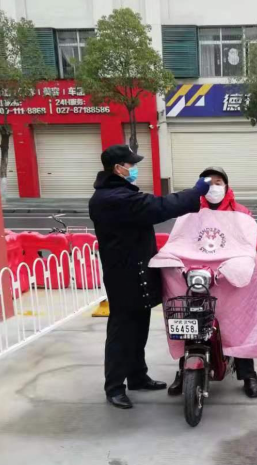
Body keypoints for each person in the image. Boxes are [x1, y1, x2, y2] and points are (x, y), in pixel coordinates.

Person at [89, 144, 211, 409]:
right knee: (122, 331)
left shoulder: (119, 193)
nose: (134, 169)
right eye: (131, 165)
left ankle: (137, 376)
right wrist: (196, 191)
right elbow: (161, 206)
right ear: (118, 168)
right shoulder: (113, 198)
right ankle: (114, 387)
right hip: (124, 276)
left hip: (137, 273)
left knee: (138, 327)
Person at [166, 166, 257, 398]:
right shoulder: (190, 213)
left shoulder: (241, 213)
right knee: (188, 320)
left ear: (226, 186)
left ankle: (248, 374)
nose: (214, 187)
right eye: (208, 182)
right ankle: (183, 370)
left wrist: (238, 264)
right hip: (198, 276)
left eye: (218, 182)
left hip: (228, 277)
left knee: (238, 323)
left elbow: (250, 245)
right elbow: (179, 243)